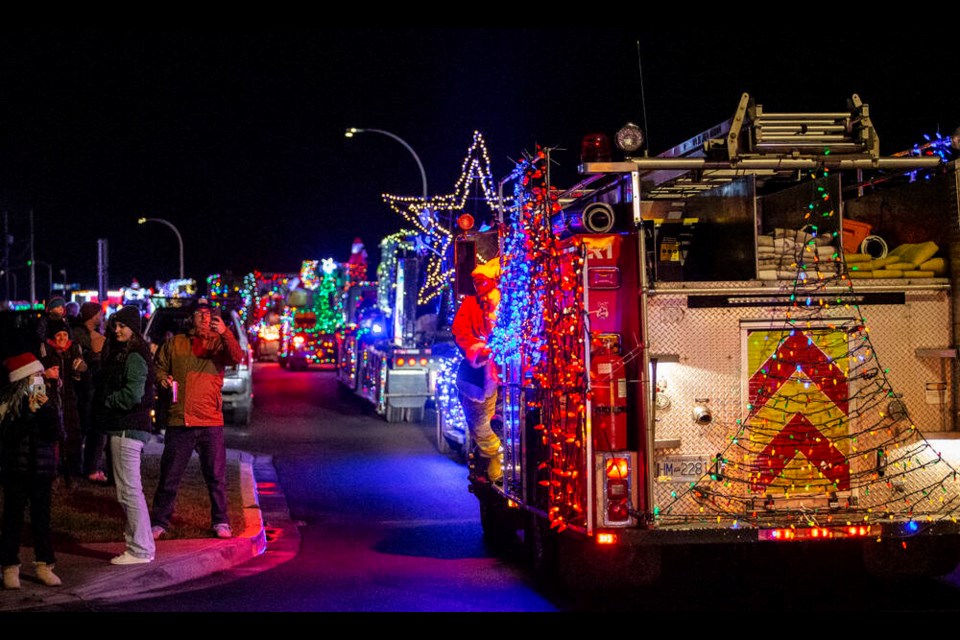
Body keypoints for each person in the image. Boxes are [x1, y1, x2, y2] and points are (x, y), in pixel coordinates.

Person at [151, 298, 243, 540]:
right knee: (170, 475)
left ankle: (221, 521)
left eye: (208, 313)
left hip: (210, 421)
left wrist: (225, 332)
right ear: (190, 317)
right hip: (180, 420)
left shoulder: (218, 344)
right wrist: (162, 379)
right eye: (199, 313)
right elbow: (158, 366)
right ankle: (159, 521)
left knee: (216, 477)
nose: (204, 317)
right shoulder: (175, 343)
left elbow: (236, 357)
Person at [95, 305, 156, 565]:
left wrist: (109, 401)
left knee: (129, 490)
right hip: (126, 427)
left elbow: (133, 394)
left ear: (134, 328)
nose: (116, 330)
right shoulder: (129, 352)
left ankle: (140, 549)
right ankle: (140, 545)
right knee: (130, 489)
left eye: (122, 326)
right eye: (115, 325)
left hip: (127, 427)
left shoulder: (133, 356)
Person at [0, 352, 64, 589]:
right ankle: (9, 566)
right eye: (35, 376)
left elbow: (55, 433)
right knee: (12, 518)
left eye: (40, 375)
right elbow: (10, 436)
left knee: (41, 520)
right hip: (16, 469)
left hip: (42, 470)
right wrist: (28, 413)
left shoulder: (48, 399)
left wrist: (45, 410)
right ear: (23, 380)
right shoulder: (9, 404)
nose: (40, 379)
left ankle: (44, 565)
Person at [451, 257, 503, 483]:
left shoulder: (513, 301)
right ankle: (494, 456)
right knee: (477, 415)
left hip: (518, 374)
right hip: (485, 374)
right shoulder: (473, 304)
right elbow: (461, 331)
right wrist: (478, 351)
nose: (479, 288)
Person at [38, 317, 87, 485]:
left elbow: (81, 373)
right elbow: (38, 374)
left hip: (69, 398)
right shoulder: (46, 350)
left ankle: (73, 468)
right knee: (53, 434)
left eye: (64, 334)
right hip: (51, 398)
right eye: (58, 335)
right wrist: (47, 375)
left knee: (73, 432)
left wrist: (80, 369)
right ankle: (53, 470)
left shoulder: (72, 349)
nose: (62, 339)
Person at [73, 302, 109, 483]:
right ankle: (90, 468)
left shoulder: (83, 334)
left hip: (90, 390)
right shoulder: (84, 336)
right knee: (95, 430)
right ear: (92, 315)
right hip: (89, 391)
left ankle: (83, 466)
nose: (102, 317)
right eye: (99, 314)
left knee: (88, 430)